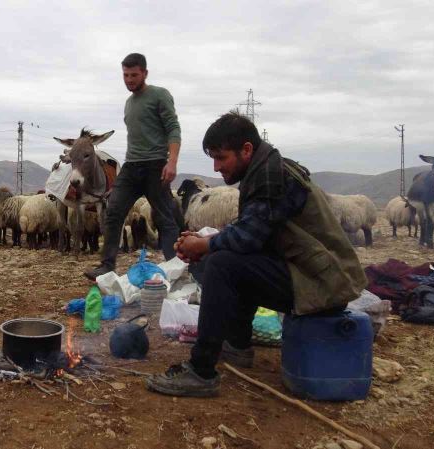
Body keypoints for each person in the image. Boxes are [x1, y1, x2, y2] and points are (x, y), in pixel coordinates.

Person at [146, 112, 367, 397]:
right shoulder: (266, 169)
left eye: (221, 158)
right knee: (229, 258)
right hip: (311, 275)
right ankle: (236, 345)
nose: (216, 167)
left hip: (322, 285)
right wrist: (206, 240)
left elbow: (248, 238)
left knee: (222, 264)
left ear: (246, 150)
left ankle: (201, 372)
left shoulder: (271, 177)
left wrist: (204, 246)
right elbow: (255, 230)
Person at [84, 53, 182, 280]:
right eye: (125, 75)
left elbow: (173, 128)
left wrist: (172, 161)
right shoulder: (129, 103)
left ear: (145, 74)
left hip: (156, 165)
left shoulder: (159, 95)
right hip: (132, 166)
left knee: (165, 218)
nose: (129, 79)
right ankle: (107, 265)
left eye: (134, 75)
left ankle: (174, 269)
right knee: (114, 212)